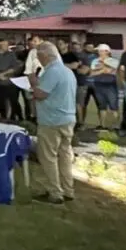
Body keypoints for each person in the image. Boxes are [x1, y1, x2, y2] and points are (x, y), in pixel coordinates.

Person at [28, 42, 78, 205]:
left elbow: (41, 94)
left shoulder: (52, 72)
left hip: (52, 121)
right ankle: (68, 190)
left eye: (39, 56)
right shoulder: (67, 71)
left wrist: (33, 82)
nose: (39, 60)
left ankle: (55, 193)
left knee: (48, 156)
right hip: (68, 119)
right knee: (64, 155)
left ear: (47, 56)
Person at [0, 39, 24, 122]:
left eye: (7, 45)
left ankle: (20, 117)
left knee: (14, 100)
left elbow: (15, 67)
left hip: (9, 81)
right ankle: (3, 117)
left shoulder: (11, 54)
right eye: (4, 45)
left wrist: (4, 74)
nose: (6, 46)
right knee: (0, 100)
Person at [88, 44, 120, 131]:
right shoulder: (95, 61)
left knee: (114, 106)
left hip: (110, 85)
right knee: (102, 106)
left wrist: (100, 69)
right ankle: (103, 125)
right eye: (99, 51)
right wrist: (103, 69)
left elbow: (111, 71)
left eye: (101, 50)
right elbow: (92, 73)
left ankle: (116, 126)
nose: (99, 52)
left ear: (107, 51)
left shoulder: (113, 61)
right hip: (98, 84)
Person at [61, 42, 90, 128]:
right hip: (70, 83)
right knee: (71, 104)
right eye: (74, 48)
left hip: (81, 83)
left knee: (79, 104)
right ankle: (74, 122)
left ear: (81, 48)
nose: (76, 50)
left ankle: (80, 123)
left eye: (77, 48)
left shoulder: (84, 57)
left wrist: (74, 66)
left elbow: (83, 71)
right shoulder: (70, 56)